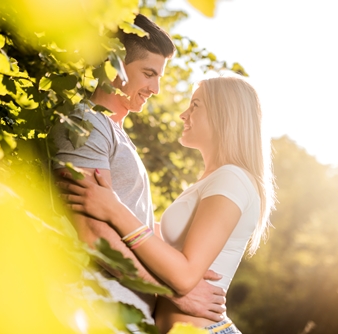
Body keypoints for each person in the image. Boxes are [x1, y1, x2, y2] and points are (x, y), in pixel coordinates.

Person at [58, 76, 276, 333]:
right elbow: (162, 242)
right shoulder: (215, 179)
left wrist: (114, 209)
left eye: (195, 105)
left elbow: (184, 276)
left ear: (224, 115)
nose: (184, 115)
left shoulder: (232, 179)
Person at [51, 14, 227, 325]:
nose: (156, 88)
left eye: (159, 76)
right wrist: (174, 290)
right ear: (116, 65)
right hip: (95, 310)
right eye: (148, 73)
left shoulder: (115, 132)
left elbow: (132, 220)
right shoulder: (87, 125)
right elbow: (92, 233)